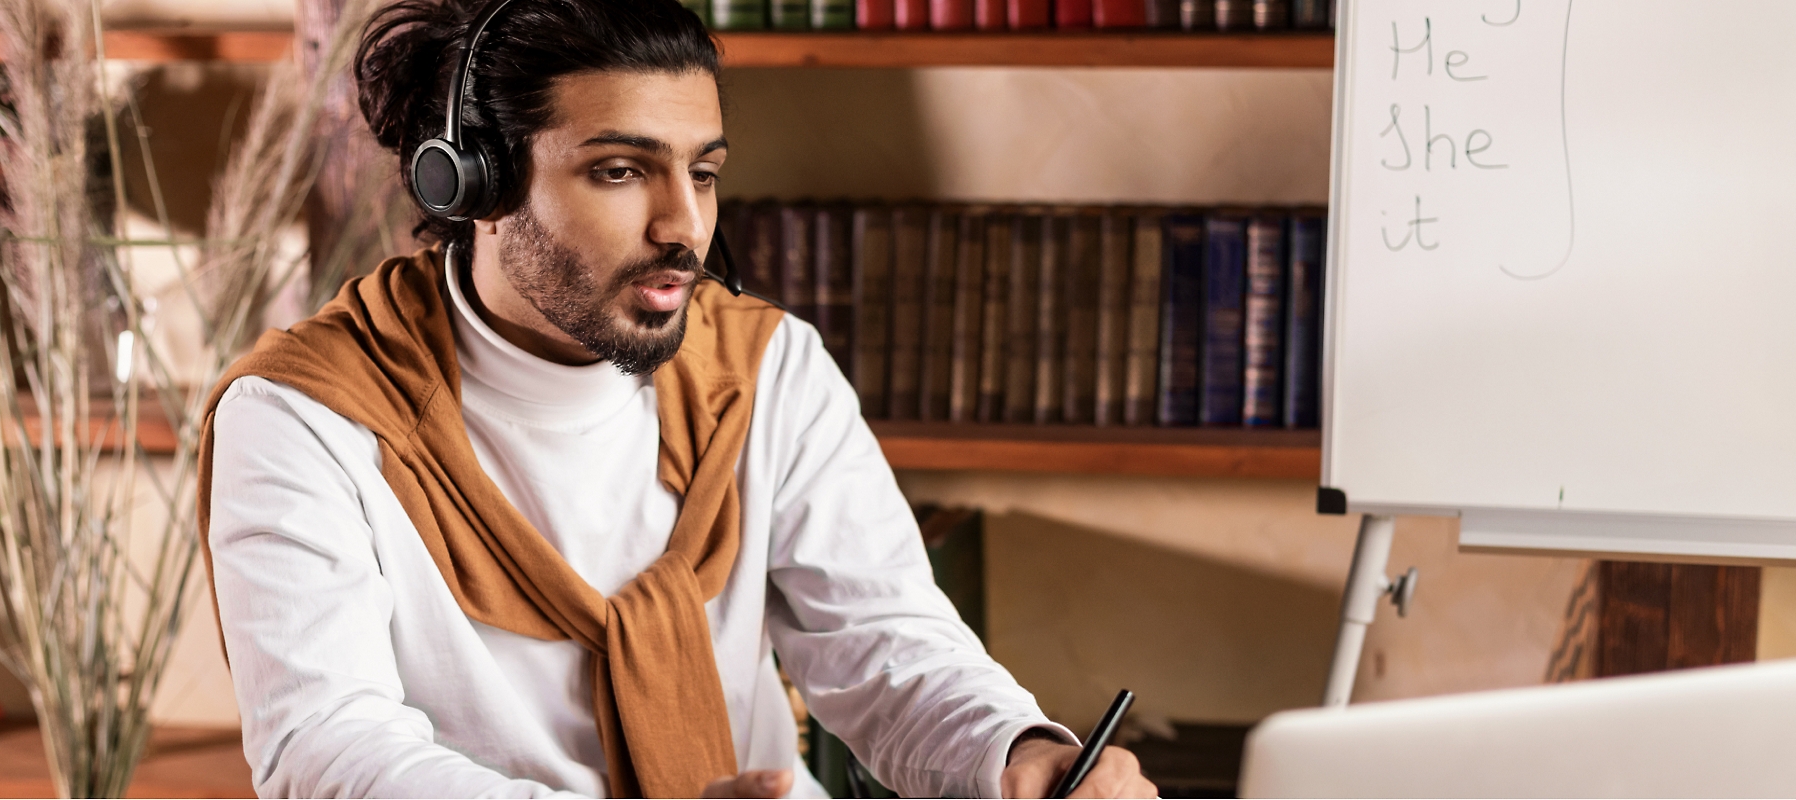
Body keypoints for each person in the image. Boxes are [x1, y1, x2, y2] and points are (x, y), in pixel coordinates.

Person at [195, 0, 1156, 797]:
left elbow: (886, 644)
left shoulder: (769, 368)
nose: (684, 227)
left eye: (702, 173)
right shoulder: (303, 418)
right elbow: (329, 752)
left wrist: (1017, 755)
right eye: (621, 171)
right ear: (474, 184)